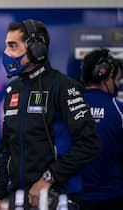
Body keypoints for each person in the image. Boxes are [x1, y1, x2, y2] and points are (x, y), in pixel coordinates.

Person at [0, 19, 101, 210]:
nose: (6, 54)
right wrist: (0, 196)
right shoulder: (13, 90)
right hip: (18, 198)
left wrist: (49, 178)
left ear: (36, 49)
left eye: (12, 46)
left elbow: (89, 143)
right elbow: (7, 148)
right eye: (5, 46)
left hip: (56, 196)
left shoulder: (64, 87)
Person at [78, 48, 123, 210]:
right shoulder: (119, 111)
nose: (117, 85)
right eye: (117, 80)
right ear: (105, 77)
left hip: (76, 199)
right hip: (114, 198)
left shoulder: (68, 109)